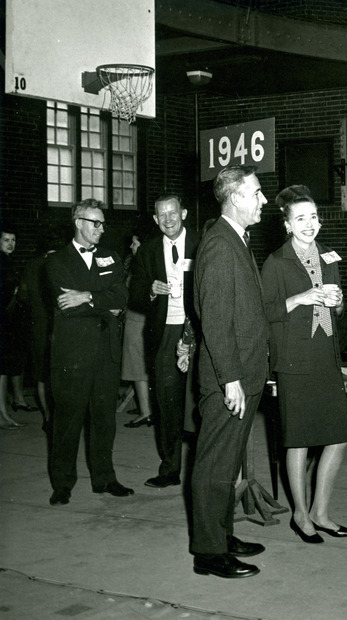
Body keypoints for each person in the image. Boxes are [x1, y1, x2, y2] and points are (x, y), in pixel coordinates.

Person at [261, 185, 347, 544]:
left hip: (325, 355)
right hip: (294, 358)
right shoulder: (276, 262)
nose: (309, 224)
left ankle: (321, 512)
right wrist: (302, 297)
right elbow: (265, 311)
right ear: (287, 224)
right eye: (300, 218)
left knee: (338, 437)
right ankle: (300, 515)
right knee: (298, 440)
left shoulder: (329, 256)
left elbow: (339, 310)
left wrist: (339, 302)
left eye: (313, 216)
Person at [190, 165, 269, 579]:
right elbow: (216, 321)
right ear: (235, 197)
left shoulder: (235, 239)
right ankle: (208, 553)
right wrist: (231, 379)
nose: (263, 200)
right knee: (215, 466)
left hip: (243, 372)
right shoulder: (221, 245)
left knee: (228, 463)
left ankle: (221, 535)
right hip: (229, 378)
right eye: (256, 193)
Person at [45, 199, 134, 505]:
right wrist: (102, 302)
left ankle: (105, 478)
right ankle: (62, 483)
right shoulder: (57, 261)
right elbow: (65, 307)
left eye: (103, 223)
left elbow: (121, 296)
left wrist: (86, 297)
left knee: (104, 420)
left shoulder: (111, 256)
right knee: (67, 421)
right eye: (95, 223)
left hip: (105, 353)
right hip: (73, 354)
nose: (101, 229)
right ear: (78, 222)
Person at [130, 194, 199, 488]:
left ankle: (204, 470)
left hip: (198, 330)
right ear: (156, 220)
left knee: (201, 401)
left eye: (173, 213)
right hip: (165, 332)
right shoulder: (146, 251)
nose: (168, 220)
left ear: (182, 213)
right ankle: (170, 469)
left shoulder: (202, 242)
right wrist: (150, 290)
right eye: (162, 215)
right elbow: (134, 295)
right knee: (167, 402)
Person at [17, 226, 63, 432]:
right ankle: (61, 417)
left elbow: (23, 297)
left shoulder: (31, 265)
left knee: (42, 375)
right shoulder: (64, 264)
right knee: (61, 375)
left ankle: (47, 417)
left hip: (38, 327)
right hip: (62, 327)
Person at [1, 227, 37, 430]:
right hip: (4, 320)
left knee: (4, 370)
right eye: (6, 239)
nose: (10, 243)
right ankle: (2, 414)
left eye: (13, 240)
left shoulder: (8, 261)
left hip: (8, 321)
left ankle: (4, 413)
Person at [121, 228, 154, 429]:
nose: (131, 246)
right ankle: (145, 406)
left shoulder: (140, 266)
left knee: (137, 367)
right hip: (140, 319)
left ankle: (145, 412)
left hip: (136, 320)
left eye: (134, 243)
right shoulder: (145, 263)